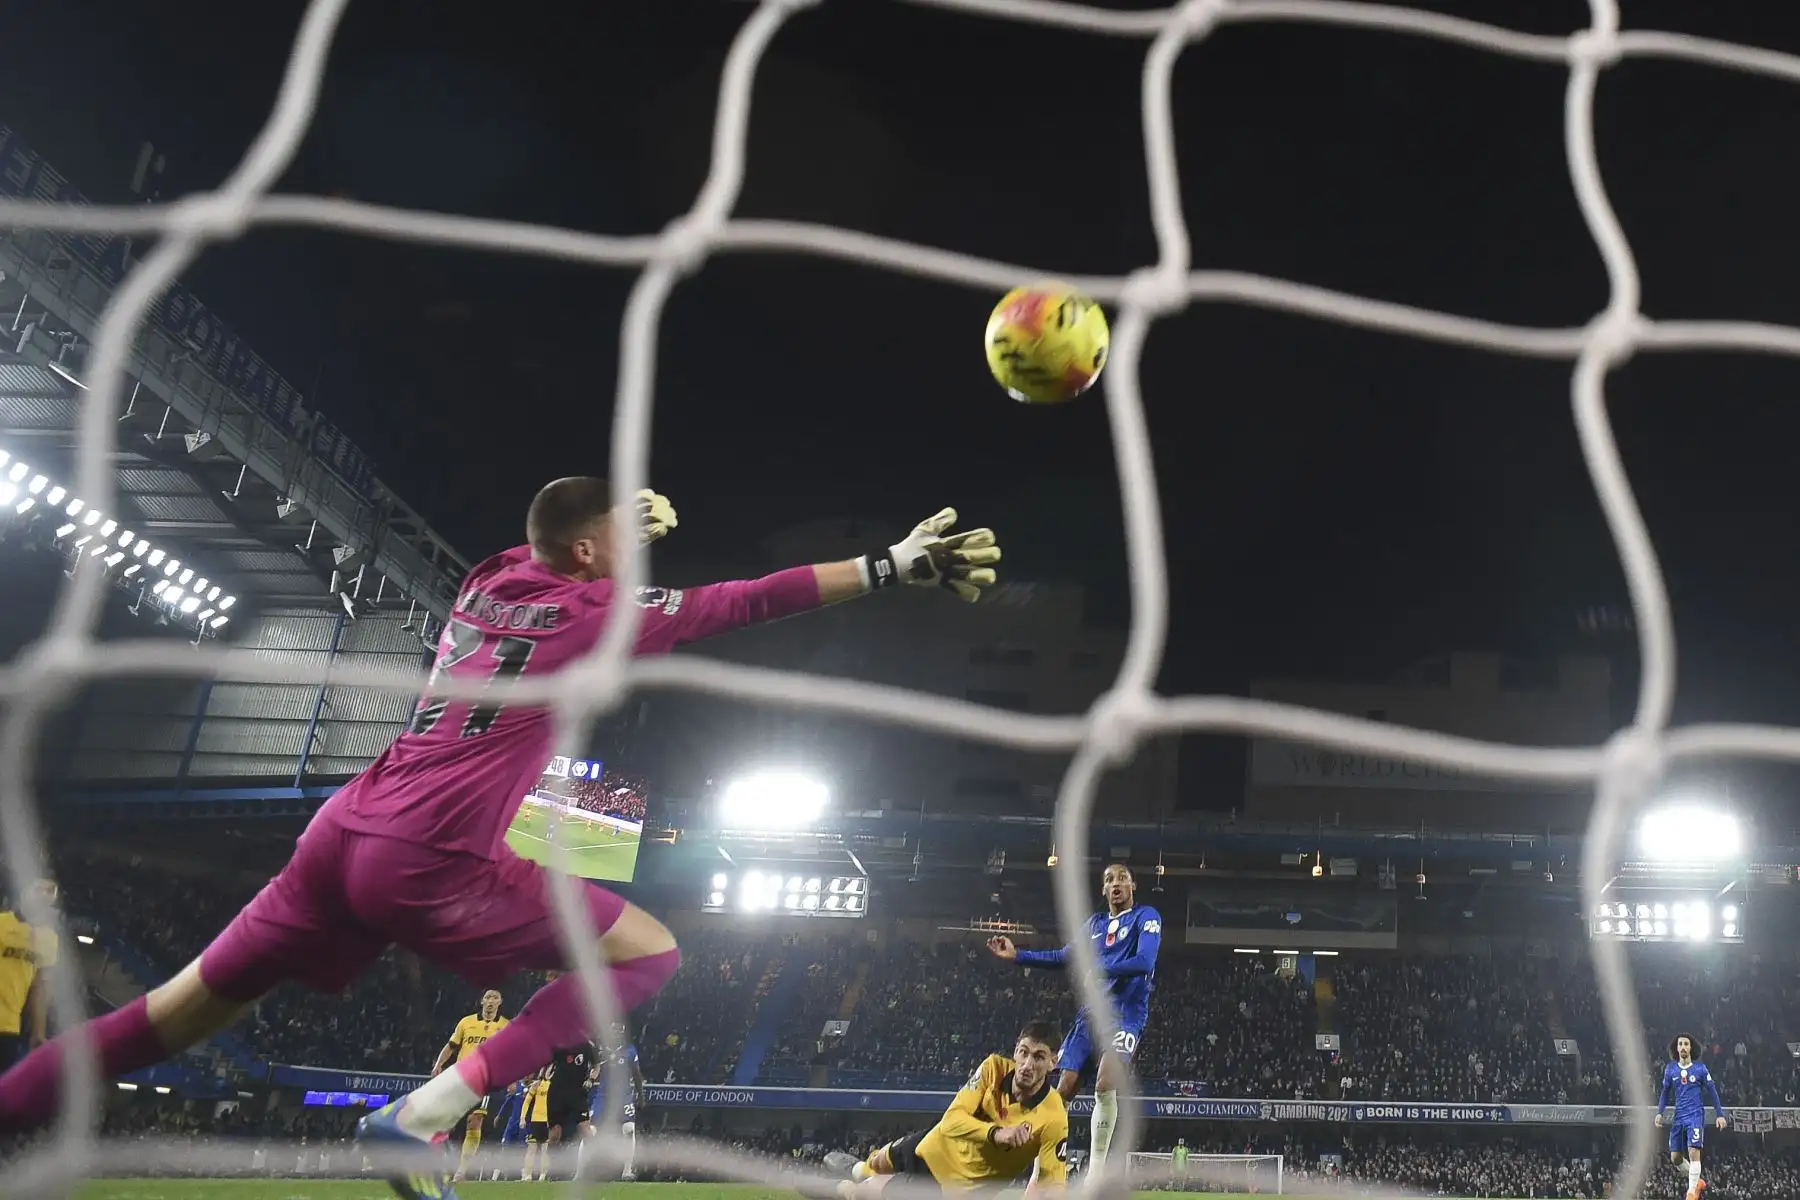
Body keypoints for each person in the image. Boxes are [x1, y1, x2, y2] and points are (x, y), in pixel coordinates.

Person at [0, 480, 1001, 1200]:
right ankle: (419, 1118)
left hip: (341, 833)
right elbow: (749, 600)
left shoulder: (487, 582)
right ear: (586, 557)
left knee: (158, 1023)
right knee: (652, 951)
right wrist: (889, 565)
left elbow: (545, 535)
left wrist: (618, 522)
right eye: (621, 541)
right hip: (433, 857)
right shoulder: (595, 612)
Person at [986, 863, 1160, 1173]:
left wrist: (1101, 969)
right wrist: (1018, 956)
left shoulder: (1146, 917)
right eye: (1109, 879)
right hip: (1089, 1017)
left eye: (1122, 878)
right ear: (1103, 890)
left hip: (1125, 1014)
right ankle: (1043, 1172)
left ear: (1133, 886)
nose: (1116, 883)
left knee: (1105, 1085)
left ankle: (1095, 1175)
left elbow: (1145, 961)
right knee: (1061, 1091)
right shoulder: (1093, 924)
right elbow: (1063, 956)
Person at [825, 1020, 1068, 1196]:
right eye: (1023, 1053)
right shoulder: (993, 1068)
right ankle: (857, 1169)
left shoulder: (1054, 1116)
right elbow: (952, 1120)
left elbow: (1053, 1182)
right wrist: (996, 1133)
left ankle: (842, 1188)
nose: (1026, 1065)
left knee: (863, 1193)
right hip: (936, 1143)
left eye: (1038, 1057)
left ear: (1052, 1063)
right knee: (877, 1162)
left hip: (956, 1187)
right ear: (1015, 1050)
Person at [431, 989, 509, 1183]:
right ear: (482, 1001)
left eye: (495, 998)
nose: (491, 1001)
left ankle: (461, 1172)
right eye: (488, 997)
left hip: (484, 1080)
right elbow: (451, 1046)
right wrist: (438, 1064)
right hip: (461, 1077)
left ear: (500, 1002)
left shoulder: (506, 1026)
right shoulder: (466, 1022)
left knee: (474, 1122)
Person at [1656, 1032, 1726, 1200]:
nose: (1683, 1047)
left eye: (1686, 1044)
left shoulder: (1700, 1068)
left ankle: (1691, 1193)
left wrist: (1719, 1114)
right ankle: (1697, 1182)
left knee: (1694, 1151)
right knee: (1675, 1158)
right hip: (1679, 1117)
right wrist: (1660, 1112)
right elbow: (1665, 1093)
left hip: (1695, 1115)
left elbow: (1712, 1091)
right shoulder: (1671, 1069)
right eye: (1680, 1044)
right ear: (1676, 1048)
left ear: (1691, 1047)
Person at [0, 880, 59, 1069]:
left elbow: (39, 989)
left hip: (9, 1027)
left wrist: (38, 1032)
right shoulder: (2, 924)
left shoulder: (49, 940)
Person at [580, 1022, 644, 1181]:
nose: (616, 1033)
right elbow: (592, 1068)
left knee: (629, 1129)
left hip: (623, 1095)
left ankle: (627, 1171)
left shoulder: (630, 1050)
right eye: (613, 1030)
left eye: (619, 1030)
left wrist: (641, 1095)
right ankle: (579, 1173)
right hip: (603, 1095)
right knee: (591, 1132)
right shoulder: (600, 1051)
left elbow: (636, 1074)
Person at [519, 1071, 552, 1182]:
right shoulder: (537, 1084)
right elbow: (527, 1101)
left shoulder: (554, 1085)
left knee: (544, 1149)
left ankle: (543, 1175)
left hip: (547, 1120)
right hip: (536, 1120)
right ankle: (528, 1175)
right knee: (532, 1149)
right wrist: (522, 1118)